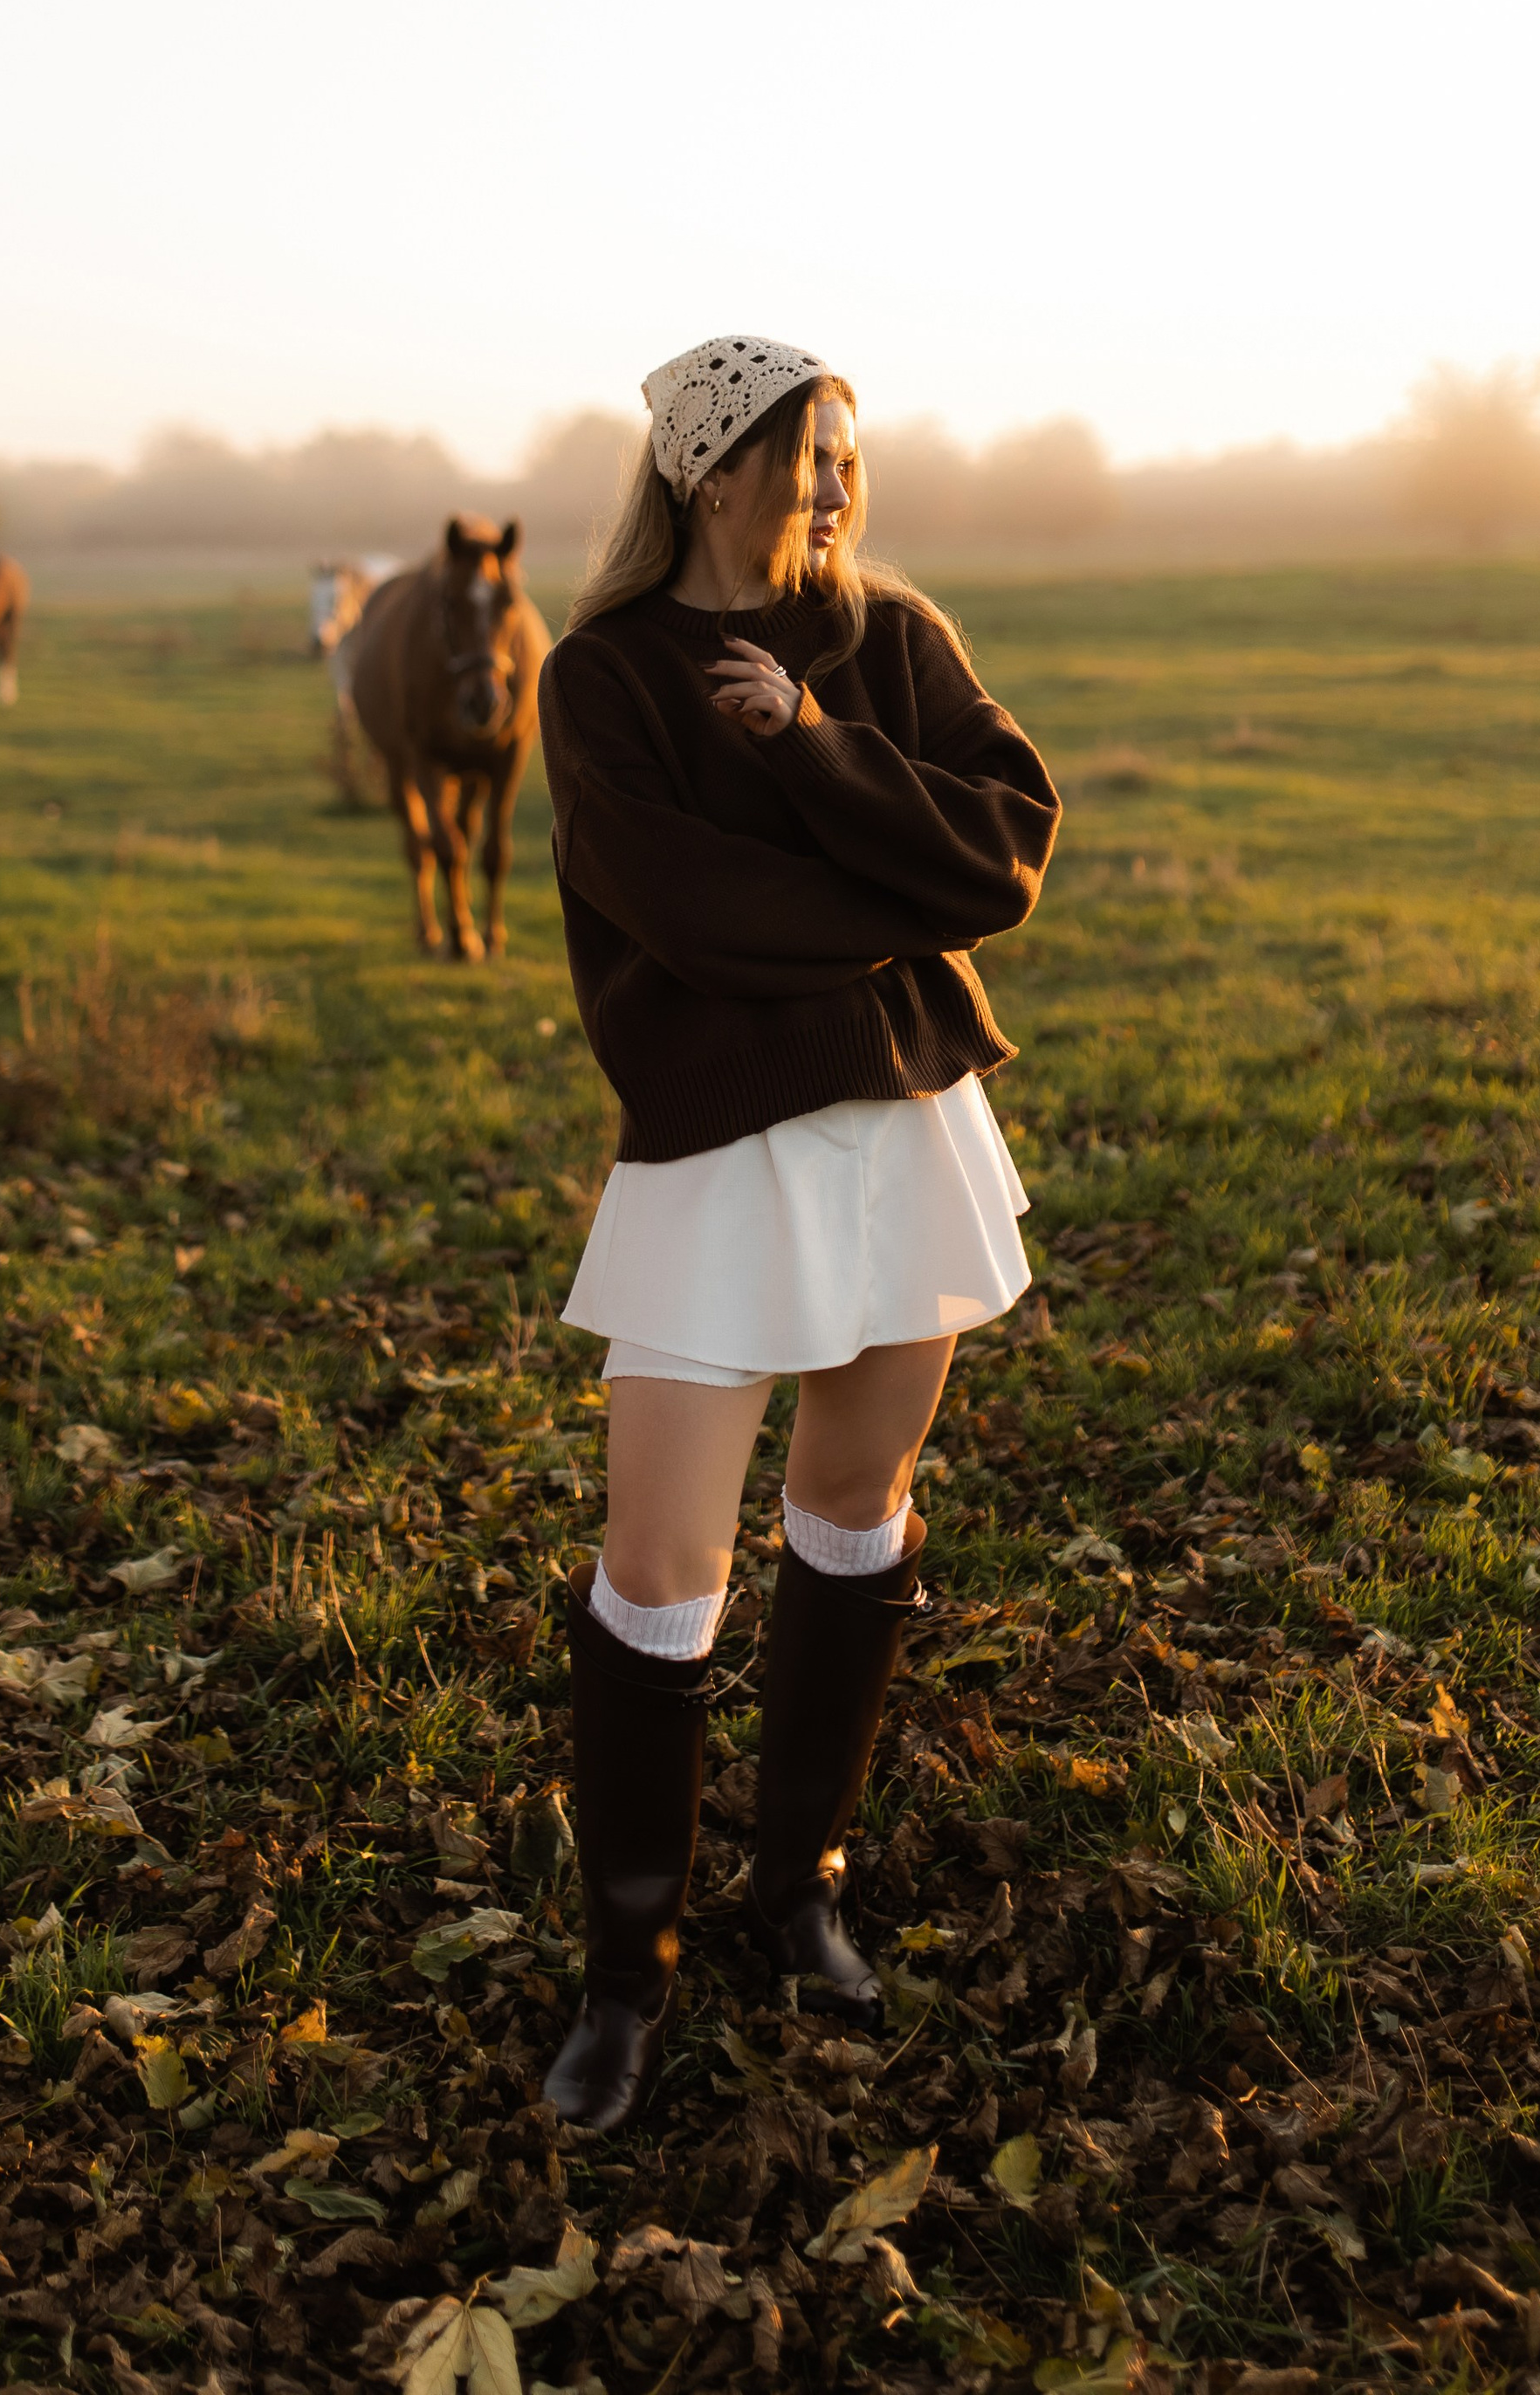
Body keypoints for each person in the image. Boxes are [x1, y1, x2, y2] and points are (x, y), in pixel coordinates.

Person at [533, 333, 1061, 2130]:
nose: (835, 483)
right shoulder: (604, 677)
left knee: (852, 1513)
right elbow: (689, 915)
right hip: (715, 1151)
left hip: (904, 1128)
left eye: (849, 452)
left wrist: (827, 758)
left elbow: (1002, 852)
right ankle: (627, 1972)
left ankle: (797, 1891)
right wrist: (897, 907)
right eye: (803, 452)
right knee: (660, 1572)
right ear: (706, 468)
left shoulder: (890, 643)